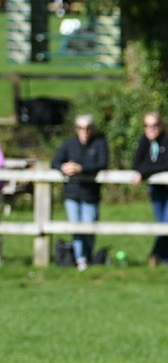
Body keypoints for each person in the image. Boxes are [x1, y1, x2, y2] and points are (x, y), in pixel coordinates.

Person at [51, 114, 109, 271]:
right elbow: (55, 162)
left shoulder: (99, 143)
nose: (84, 131)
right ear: (76, 129)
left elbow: (102, 163)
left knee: (88, 226)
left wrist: (80, 168)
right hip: (72, 193)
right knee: (76, 226)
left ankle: (88, 255)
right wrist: (63, 167)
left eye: (87, 128)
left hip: (90, 194)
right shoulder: (69, 143)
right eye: (81, 128)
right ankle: (80, 259)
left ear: (92, 129)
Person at [130, 112, 168, 267]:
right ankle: (167, 261)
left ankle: (154, 255)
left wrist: (145, 171)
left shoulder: (167, 140)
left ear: (161, 126)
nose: (150, 129)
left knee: (166, 225)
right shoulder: (144, 141)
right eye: (147, 125)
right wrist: (144, 170)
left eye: (154, 125)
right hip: (156, 190)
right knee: (161, 225)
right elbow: (136, 163)